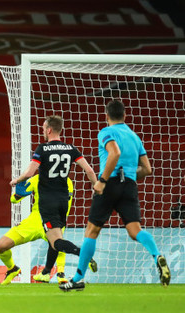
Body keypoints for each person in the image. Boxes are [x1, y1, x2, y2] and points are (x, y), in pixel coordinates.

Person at [60, 100, 171, 291]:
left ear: (106, 116)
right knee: (135, 231)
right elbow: (147, 169)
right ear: (125, 116)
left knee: (91, 231)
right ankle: (157, 255)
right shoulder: (135, 137)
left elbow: (114, 153)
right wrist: (127, 176)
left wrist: (102, 181)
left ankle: (78, 278)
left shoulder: (106, 132)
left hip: (109, 183)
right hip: (129, 185)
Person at [2, 115, 98, 285]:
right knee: (54, 241)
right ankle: (46, 272)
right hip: (63, 201)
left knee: (56, 241)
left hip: (47, 202)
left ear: (49, 129)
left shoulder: (42, 148)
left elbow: (30, 173)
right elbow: (89, 171)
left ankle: (82, 253)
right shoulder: (71, 148)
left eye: (43, 128)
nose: (43, 131)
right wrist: (97, 187)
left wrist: (17, 180)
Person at [0, 174, 96, 285]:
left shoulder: (66, 182)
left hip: (51, 221)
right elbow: (14, 199)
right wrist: (18, 194)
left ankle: (60, 273)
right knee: (1, 246)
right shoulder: (38, 179)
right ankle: (13, 268)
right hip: (33, 223)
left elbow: (13, 200)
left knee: (58, 244)